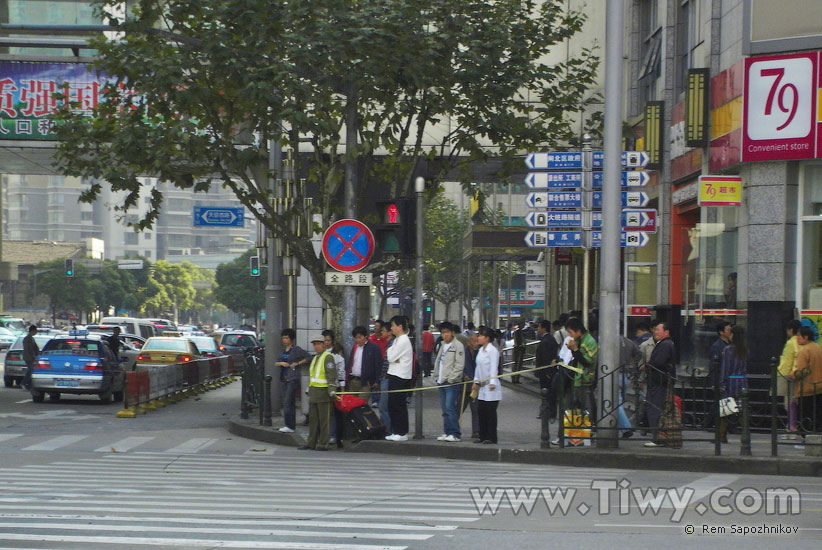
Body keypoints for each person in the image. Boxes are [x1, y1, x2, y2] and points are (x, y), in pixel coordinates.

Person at [298, 335, 337, 451]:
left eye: (319, 344)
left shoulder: (328, 357)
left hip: (324, 393)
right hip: (314, 393)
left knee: (324, 421)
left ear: (324, 344)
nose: (316, 346)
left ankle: (323, 443)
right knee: (313, 420)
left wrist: (332, 390)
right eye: (314, 344)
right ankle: (311, 443)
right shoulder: (315, 358)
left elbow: (331, 376)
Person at [643, 322, 677, 447]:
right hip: (660, 381)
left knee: (655, 409)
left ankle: (658, 437)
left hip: (659, 381)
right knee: (657, 408)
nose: (655, 332)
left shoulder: (665, 345)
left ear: (666, 332)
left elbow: (658, 362)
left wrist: (648, 365)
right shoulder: (666, 344)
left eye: (658, 329)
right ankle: (659, 436)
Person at [434, 322, 467, 442]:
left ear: (452, 333)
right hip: (441, 380)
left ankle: (455, 433)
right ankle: (447, 431)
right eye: (443, 332)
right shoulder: (442, 345)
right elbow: (439, 361)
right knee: (444, 409)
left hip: (451, 382)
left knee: (450, 408)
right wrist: (436, 376)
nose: (445, 335)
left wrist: (451, 378)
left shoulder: (458, 346)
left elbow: (459, 364)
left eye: (447, 332)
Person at [787, 326, 822, 437]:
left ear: (806, 337)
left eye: (799, 336)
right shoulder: (819, 348)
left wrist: (792, 375)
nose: (797, 338)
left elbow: (802, 371)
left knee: (806, 416)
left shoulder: (804, 351)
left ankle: (806, 439)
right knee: (817, 416)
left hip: (806, 388)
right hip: (819, 387)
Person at [274, 328, 310, 433]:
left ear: (291, 339)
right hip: (284, 378)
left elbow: (308, 357)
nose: (284, 340)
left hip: (292, 378)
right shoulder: (282, 351)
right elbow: (276, 362)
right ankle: (289, 425)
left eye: (286, 338)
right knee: (287, 402)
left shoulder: (296, 350)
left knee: (288, 402)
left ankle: (290, 425)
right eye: (283, 338)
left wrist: (297, 363)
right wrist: (281, 363)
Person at [385, 315, 413, 441]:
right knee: (392, 404)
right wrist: (394, 357)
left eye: (393, 326)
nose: (392, 328)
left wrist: (394, 357)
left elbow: (390, 357)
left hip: (400, 376)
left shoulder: (403, 340)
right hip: (394, 373)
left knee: (398, 405)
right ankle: (396, 430)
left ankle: (402, 432)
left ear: (400, 327)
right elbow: (389, 353)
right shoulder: (397, 340)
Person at [472, 326, 501, 444]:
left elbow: (494, 367)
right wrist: (476, 381)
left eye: (481, 336)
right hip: (482, 386)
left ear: (487, 338)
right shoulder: (481, 350)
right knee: (481, 411)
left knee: (490, 412)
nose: (478, 338)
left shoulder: (492, 351)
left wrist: (493, 382)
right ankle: (482, 435)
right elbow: (478, 368)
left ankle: (491, 437)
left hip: (490, 385)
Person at [718, 325, 747, 444]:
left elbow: (725, 368)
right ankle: (745, 435)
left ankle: (722, 435)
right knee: (742, 411)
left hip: (730, 382)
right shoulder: (745, 349)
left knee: (725, 410)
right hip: (742, 382)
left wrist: (722, 383)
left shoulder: (728, 349)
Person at [565, 317, 598, 420]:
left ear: (578, 330)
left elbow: (587, 361)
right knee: (576, 405)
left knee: (586, 404)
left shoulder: (589, 341)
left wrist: (575, 349)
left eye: (570, 332)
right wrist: (573, 350)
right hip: (577, 378)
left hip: (586, 378)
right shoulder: (580, 340)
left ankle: (590, 424)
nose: (570, 335)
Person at [702, 322, 732, 431]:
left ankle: (708, 423)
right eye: (728, 330)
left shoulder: (730, 344)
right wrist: (714, 382)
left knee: (721, 402)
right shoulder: (717, 346)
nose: (730, 332)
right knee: (721, 401)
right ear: (721, 332)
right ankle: (710, 423)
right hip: (720, 377)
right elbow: (713, 365)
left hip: (729, 378)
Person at [778, 320, 802, 439]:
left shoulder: (790, 343)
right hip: (801, 376)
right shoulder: (802, 341)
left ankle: (791, 429)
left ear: (791, 330)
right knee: (796, 403)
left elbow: (787, 362)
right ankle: (794, 427)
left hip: (790, 377)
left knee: (789, 404)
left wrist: (783, 375)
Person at [346, 326, 382, 403]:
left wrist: (377, 381)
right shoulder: (355, 347)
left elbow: (378, 365)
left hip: (365, 382)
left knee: (361, 404)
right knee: (351, 405)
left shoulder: (373, 348)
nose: (358, 340)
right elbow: (350, 362)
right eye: (356, 338)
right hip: (353, 381)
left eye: (360, 337)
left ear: (365, 337)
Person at [535, 319, 559, 422]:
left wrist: (547, 371)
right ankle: (548, 412)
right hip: (548, 371)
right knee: (549, 393)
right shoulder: (551, 339)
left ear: (543, 328)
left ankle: (547, 412)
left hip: (546, 372)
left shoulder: (546, 341)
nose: (538, 329)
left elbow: (545, 358)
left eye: (539, 327)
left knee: (547, 392)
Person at [461, 332, 480, 440]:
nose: (476, 343)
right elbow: (459, 366)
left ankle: (476, 431)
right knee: (459, 408)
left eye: (477, 341)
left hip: (476, 386)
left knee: (476, 409)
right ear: (468, 342)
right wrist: (464, 375)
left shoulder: (480, 352)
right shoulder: (463, 352)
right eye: (474, 341)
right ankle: (454, 429)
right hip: (464, 385)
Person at [329, 341, 346, 448]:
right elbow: (341, 374)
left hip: (326, 387)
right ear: (340, 351)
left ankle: (328, 436)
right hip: (336, 387)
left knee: (328, 414)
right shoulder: (340, 359)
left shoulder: (327, 357)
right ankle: (339, 439)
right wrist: (343, 391)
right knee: (338, 414)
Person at [378, 324, 394, 434]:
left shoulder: (392, 344)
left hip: (387, 378)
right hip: (385, 378)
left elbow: (387, 363)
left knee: (383, 407)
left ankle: (387, 431)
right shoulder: (388, 344)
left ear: (389, 332)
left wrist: (383, 377)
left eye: (383, 331)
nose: (382, 333)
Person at [22, 325, 40, 390]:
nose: (36, 332)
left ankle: (28, 384)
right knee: (30, 370)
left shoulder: (32, 338)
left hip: (32, 357)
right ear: (32, 331)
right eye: (35, 331)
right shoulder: (27, 339)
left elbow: (35, 348)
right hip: (28, 358)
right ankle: (24, 383)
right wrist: (31, 358)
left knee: (31, 371)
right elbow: (27, 349)